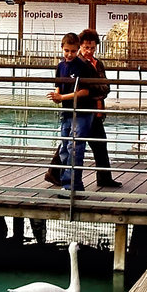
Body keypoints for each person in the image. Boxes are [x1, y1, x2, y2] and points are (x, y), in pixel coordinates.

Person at [45, 29, 120, 187]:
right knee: (71, 144)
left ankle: (101, 178)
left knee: (90, 143)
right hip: (81, 108)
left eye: (92, 48)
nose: (89, 51)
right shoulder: (76, 64)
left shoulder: (96, 64)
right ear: (81, 46)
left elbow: (103, 87)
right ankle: (58, 175)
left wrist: (92, 90)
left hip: (93, 109)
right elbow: (87, 88)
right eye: (86, 47)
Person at [47, 32, 97, 193]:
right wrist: (57, 95)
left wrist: (62, 96)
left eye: (73, 51)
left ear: (78, 50)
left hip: (81, 112)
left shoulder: (83, 66)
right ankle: (66, 181)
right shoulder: (60, 66)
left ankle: (72, 186)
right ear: (62, 49)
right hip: (67, 111)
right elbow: (58, 84)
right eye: (67, 51)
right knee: (64, 149)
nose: (69, 54)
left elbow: (85, 91)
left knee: (75, 148)